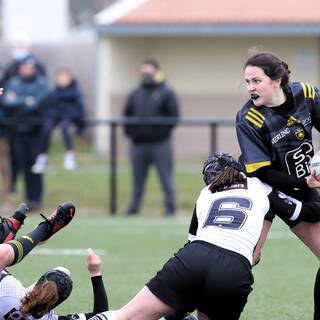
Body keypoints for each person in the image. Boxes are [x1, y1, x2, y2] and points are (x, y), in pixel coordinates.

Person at [88, 152, 320, 320]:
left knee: (126, 316)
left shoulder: (205, 192)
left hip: (194, 256)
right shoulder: (260, 186)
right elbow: (306, 212)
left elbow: (192, 242)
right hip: (234, 269)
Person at [235, 51, 320, 319]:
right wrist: (302, 182)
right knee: (242, 260)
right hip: (263, 191)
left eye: (256, 81)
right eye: (247, 82)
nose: (250, 88)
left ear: (277, 80)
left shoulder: (306, 93)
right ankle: (179, 309)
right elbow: (261, 171)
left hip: (302, 188)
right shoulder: (249, 118)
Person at [123, 59, 180, 216]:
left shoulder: (166, 92)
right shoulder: (135, 93)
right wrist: (133, 134)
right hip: (138, 144)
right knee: (137, 179)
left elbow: (173, 116)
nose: (146, 75)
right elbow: (127, 115)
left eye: (149, 71)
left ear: (156, 71)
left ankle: (170, 207)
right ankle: (134, 208)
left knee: (166, 177)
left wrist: (159, 133)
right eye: (144, 72)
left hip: (160, 144)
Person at [0, 248, 108, 320]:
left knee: (61, 270)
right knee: (63, 271)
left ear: (40, 282)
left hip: (15, 295)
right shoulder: (50, 319)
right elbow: (100, 314)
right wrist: (95, 273)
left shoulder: (10, 288)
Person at [2, 32, 46, 196]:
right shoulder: (11, 72)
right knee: (14, 162)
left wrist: (17, 101)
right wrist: (24, 101)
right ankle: (11, 193)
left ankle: (34, 198)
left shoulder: (39, 71)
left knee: (33, 165)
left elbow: (37, 101)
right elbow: (7, 99)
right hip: (15, 127)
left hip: (34, 128)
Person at [32, 68, 86, 173]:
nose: (62, 80)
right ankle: (43, 157)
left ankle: (69, 157)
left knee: (65, 129)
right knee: (46, 129)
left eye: (65, 78)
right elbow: (49, 107)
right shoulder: (54, 93)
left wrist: (80, 126)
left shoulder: (76, 93)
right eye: (60, 78)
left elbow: (80, 109)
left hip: (69, 118)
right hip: (54, 117)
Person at [0, 84, 12, 213]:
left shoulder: (6, 83)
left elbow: (10, 106)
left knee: (5, 169)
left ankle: (7, 201)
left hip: (1, 136)